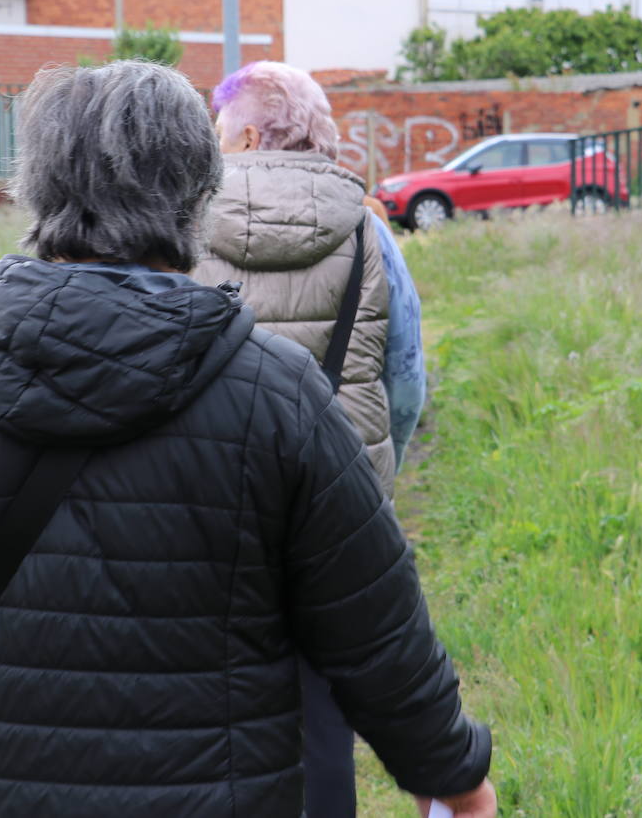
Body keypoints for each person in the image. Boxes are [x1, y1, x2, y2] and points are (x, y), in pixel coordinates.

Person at [0, 62, 494, 818]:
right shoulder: (277, 392)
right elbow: (376, 631)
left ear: (36, 185)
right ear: (198, 192)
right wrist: (454, 776)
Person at [192, 61, 429, 818]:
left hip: (207, 502)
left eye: (218, 128)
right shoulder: (369, 232)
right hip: (336, 507)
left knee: (200, 705)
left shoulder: (181, 226)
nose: (213, 142)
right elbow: (406, 383)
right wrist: (364, 464)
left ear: (252, 134)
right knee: (322, 716)